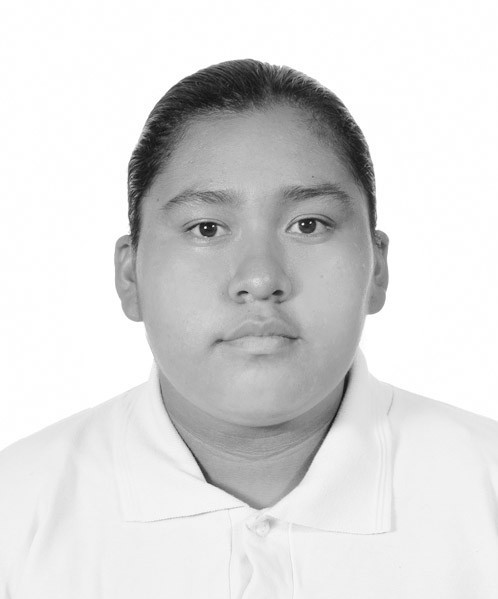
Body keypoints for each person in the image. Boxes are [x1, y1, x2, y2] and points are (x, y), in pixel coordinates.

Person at [1, 59, 497, 599]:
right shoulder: (17, 510)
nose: (261, 279)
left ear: (376, 268)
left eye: (308, 224)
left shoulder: (484, 491)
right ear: (130, 275)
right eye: (206, 228)